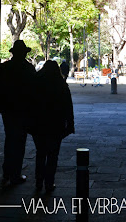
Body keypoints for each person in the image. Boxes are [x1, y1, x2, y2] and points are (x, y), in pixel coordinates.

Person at [0, 40, 35, 187]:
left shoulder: (4, 67)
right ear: (24, 53)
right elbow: (35, 91)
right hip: (23, 110)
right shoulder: (28, 68)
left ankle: (7, 172)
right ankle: (15, 174)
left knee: (9, 139)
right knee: (20, 141)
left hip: (7, 109)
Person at [28, 60, 75, 192]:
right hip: (56, 124)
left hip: (38, 124)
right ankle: (49, 182)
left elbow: (29, 104)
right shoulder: (60, 84)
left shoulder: (36, 83)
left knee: (40, 153)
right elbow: (68, 106)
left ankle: (38, 181)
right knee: (53, 155)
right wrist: (70, 124)